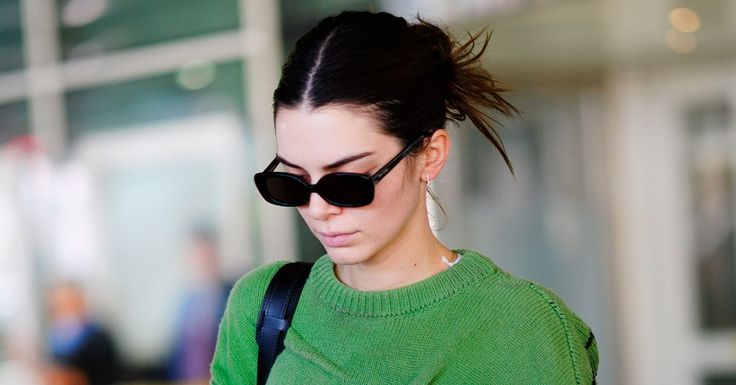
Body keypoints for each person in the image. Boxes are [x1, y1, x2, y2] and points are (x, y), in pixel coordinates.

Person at [211, 10, 599, 384]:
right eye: (293, 183)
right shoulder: (263, 309)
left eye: (348, 182)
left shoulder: (524, 330)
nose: (318, 209)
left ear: (430, 156)